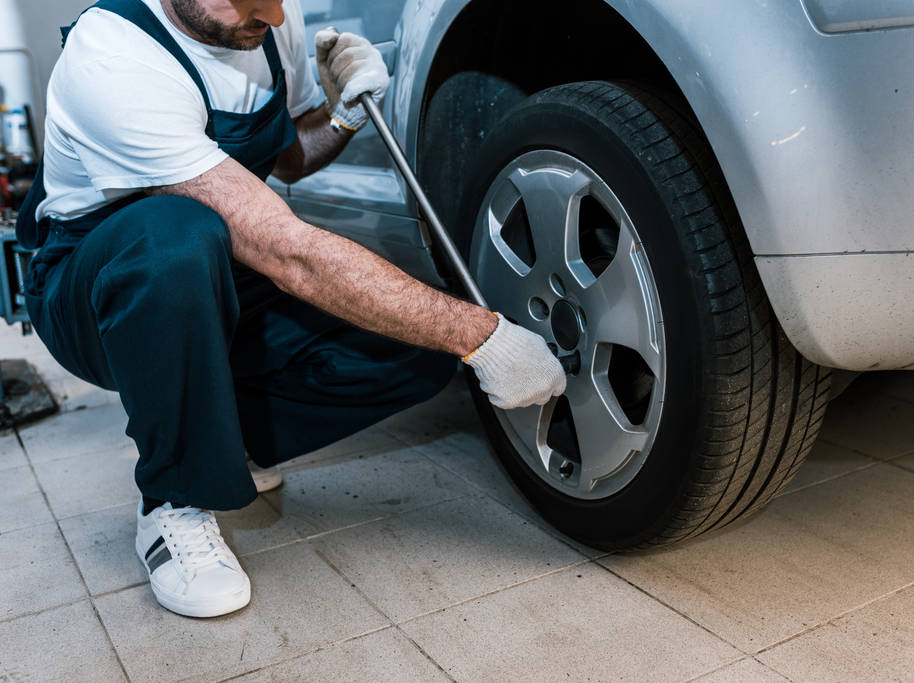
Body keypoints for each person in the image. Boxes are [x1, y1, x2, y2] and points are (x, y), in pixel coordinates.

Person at [18, 0, 566, 618]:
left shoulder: (269, 22)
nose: (273, 16)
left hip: (224, 264)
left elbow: (290, 159)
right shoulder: (113, 56)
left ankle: (218, 438)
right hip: (96, 287)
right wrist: (482, 335)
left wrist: (341, 114)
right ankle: (173, 498)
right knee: (175, 234)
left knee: (413, 349)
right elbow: (286, 252)